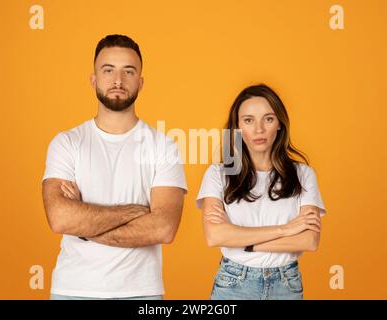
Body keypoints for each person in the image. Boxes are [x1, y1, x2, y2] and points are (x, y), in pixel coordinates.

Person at [42, 34, 187, 300]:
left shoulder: (164, 147)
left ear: (141, 83)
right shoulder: (67, 143)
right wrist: (134, 212)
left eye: (128, 71)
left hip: (141, 294)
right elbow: (60, 218)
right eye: (108, 70)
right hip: (72, 290)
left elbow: (163, 229)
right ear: (93, 79)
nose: (117, 80)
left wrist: (84, 227)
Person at [196, 84, 326, 300]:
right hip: (234, 283)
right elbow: (215, 235)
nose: (259, 129)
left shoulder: (303, 174)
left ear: (279, 125)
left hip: (287, 284)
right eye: (248, 120)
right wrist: (286, 229)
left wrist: (245, 242)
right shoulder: (218, 174)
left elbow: (308, 240)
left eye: (268, 119)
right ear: (237, 127)